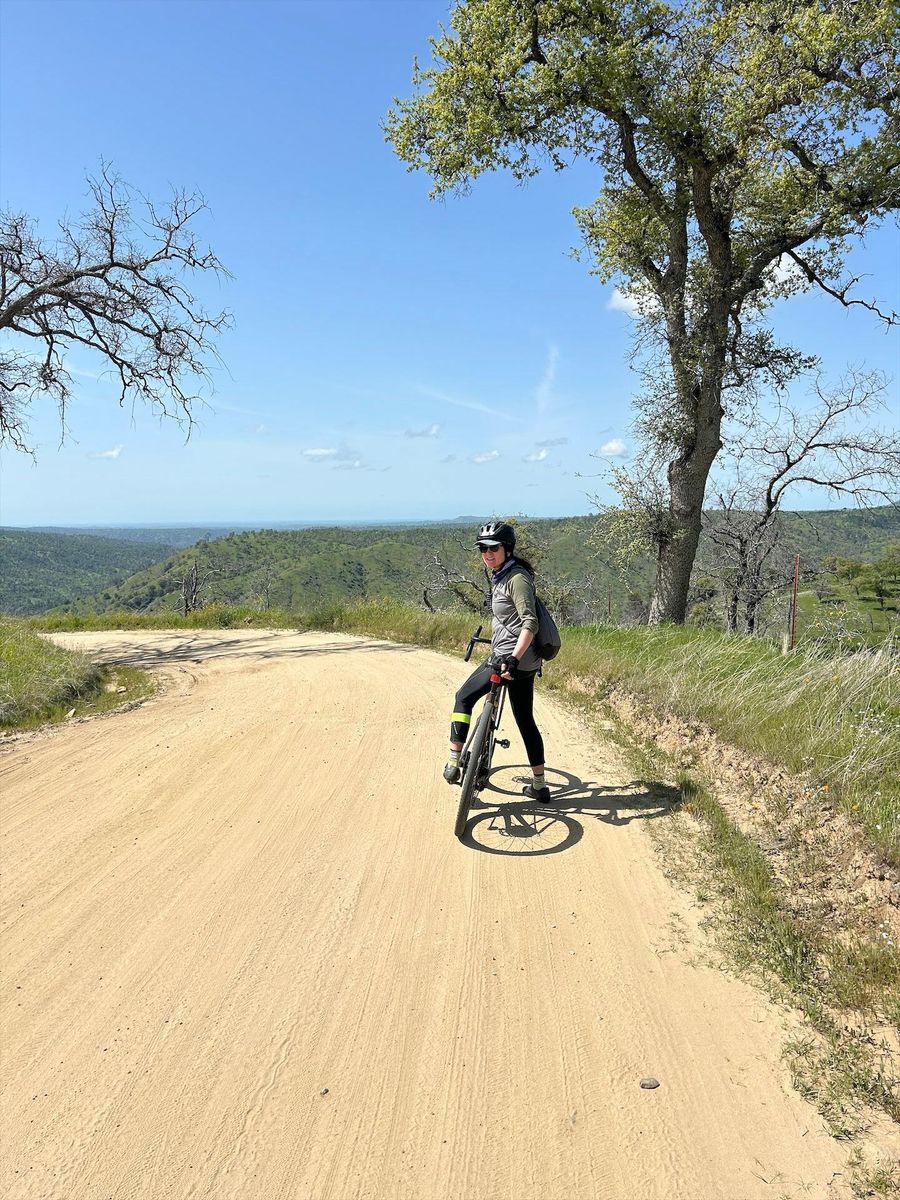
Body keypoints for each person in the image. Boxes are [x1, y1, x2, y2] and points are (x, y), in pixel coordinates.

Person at [443, 520, 551, 803]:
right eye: (483, 548)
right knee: (524, 720)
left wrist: (514, 658)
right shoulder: (502, 575)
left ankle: (454, 762)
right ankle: (539, 786)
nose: (487, 553)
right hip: (519, 661)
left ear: (508, 549)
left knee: (463, 697)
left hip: (511, 659)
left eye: (493, 548)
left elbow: (530, 623)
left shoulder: (517, 579)